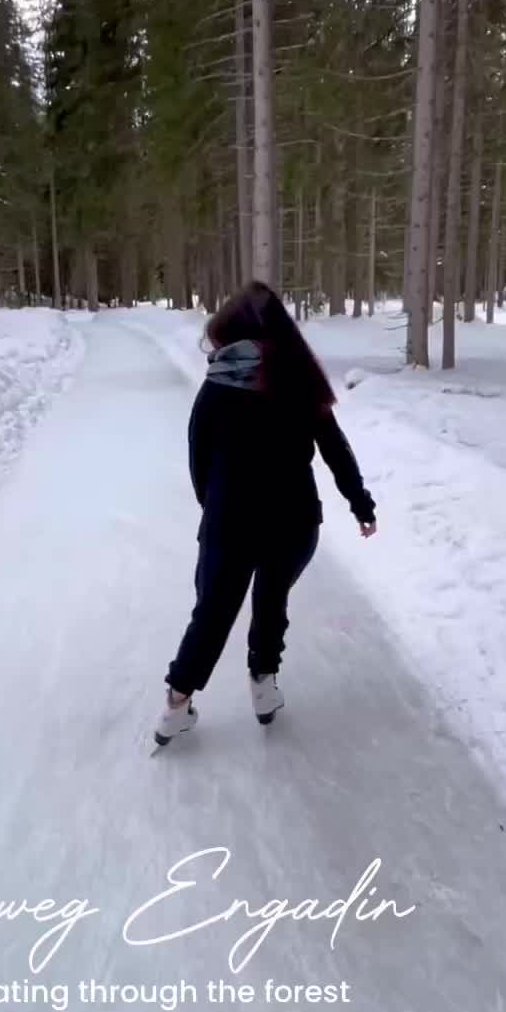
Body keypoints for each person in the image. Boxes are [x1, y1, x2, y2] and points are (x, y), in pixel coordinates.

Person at [155, 281, 377, 746]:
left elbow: (199, 458)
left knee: (212, 613)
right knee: (271, 600)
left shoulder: (216, 388)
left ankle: (176, 706)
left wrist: (215, 510)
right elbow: (336, 449)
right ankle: (263, 684)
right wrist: (360, 504)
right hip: (294, 521)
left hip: (231, 522)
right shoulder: (299, 379)